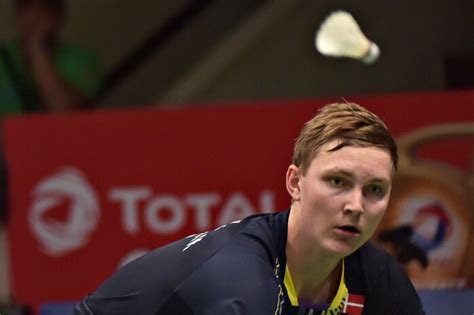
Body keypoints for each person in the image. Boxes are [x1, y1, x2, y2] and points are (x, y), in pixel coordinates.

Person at [73, 103, 425, 315]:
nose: (355, 205)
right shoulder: (241, 282)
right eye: (337, 181)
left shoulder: (376, 278)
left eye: (375, 190)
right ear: (295, 183)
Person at [0, 0, 102, 115]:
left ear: (60, 14)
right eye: (27, 7)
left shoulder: (84, 60)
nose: (36, 16)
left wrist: (36, 49)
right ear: (17, 14)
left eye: (46, 8)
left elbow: (69, 116)